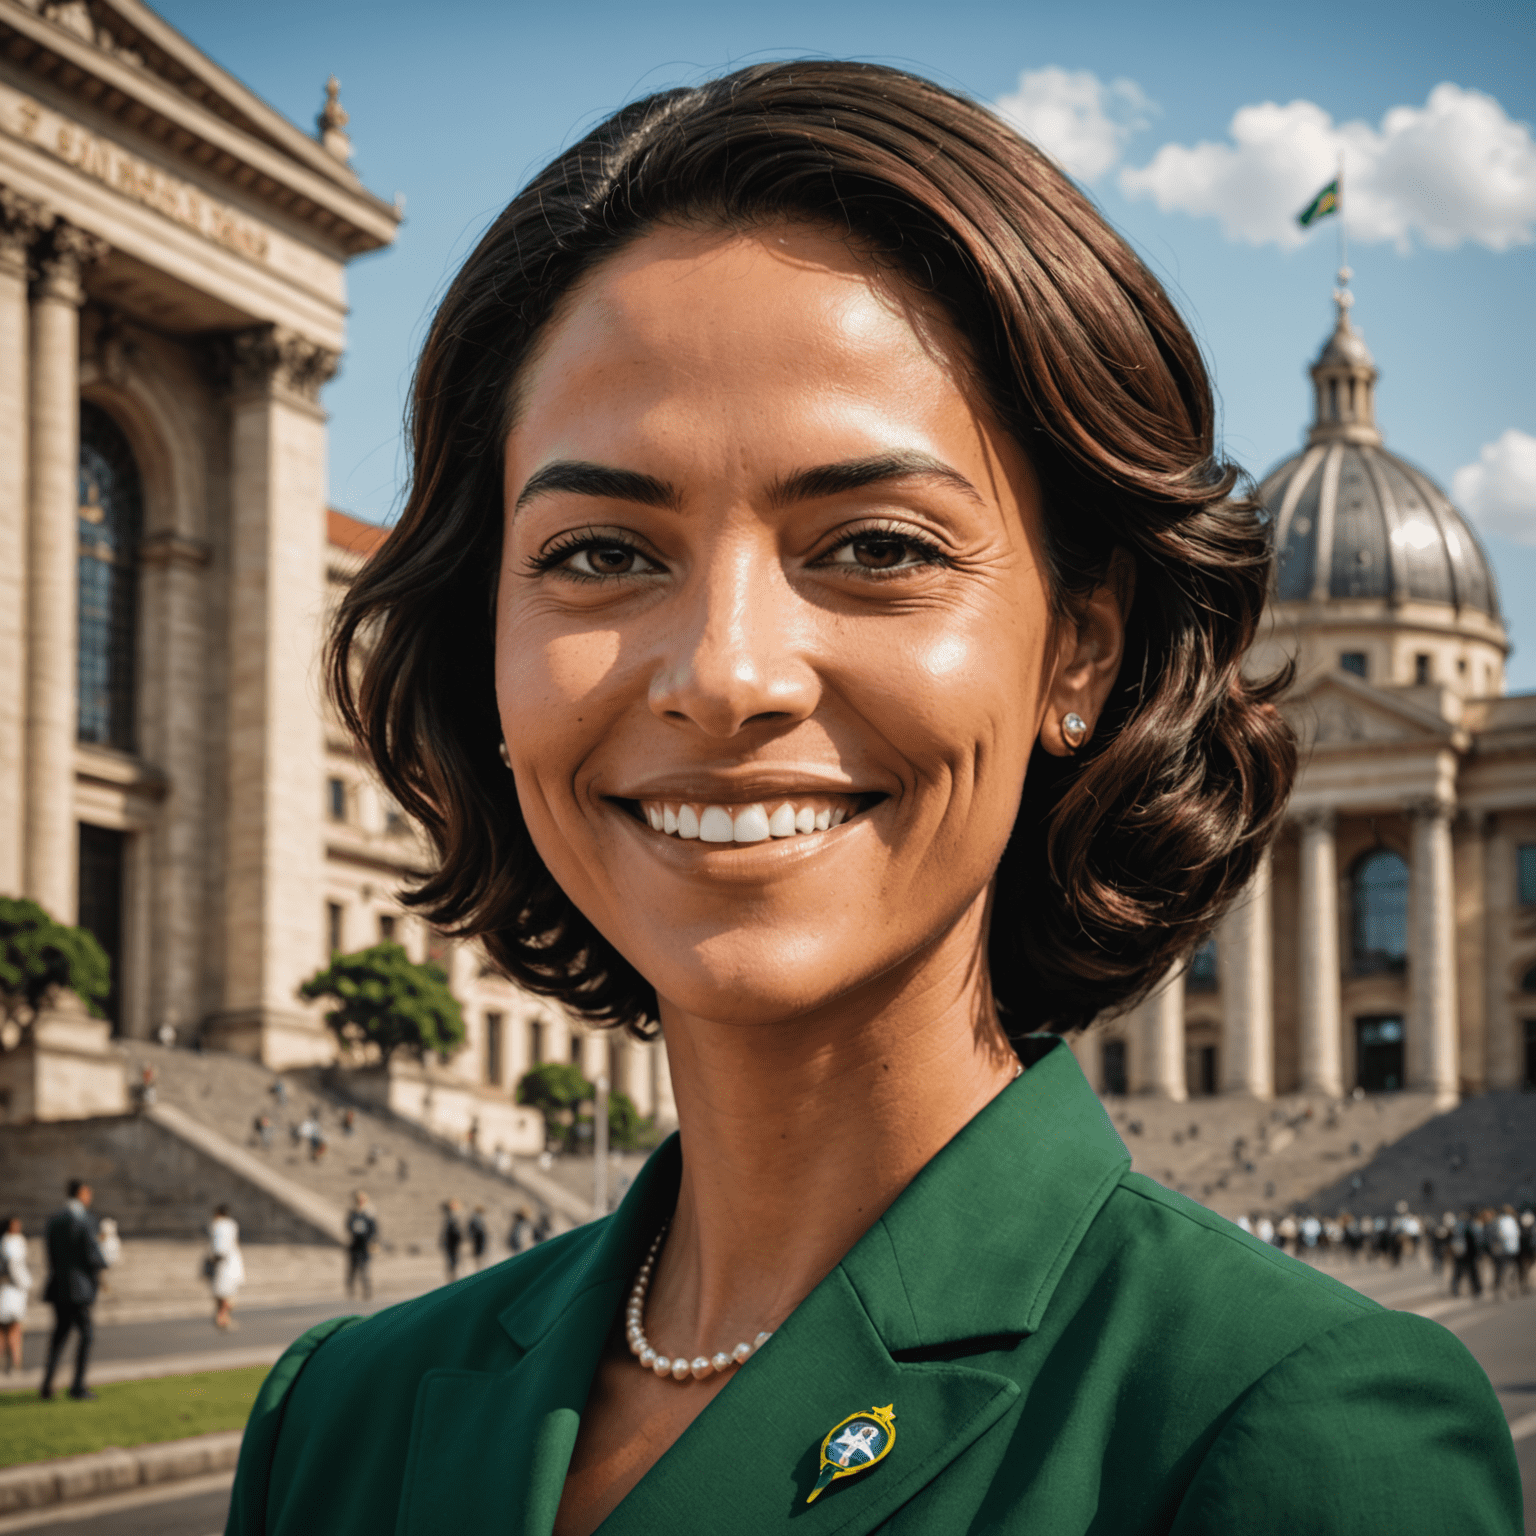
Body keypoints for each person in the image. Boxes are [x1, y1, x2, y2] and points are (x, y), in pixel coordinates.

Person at [228, 62, 1519, 1535]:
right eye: (599, 552)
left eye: (878, 545)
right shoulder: (336, 1421)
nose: (724, 677)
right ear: (487, 639)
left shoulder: (1296, 1438)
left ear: (1079, 651)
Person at [40, 1178, 105, 1400]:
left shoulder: (55, 1220)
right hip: (80, 1288)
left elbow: (49, 1253)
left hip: (59, 1285)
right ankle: (77, 1385)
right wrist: (104, 1262)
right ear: (81, 1193)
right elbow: (92, 1254)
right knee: (86, 1335)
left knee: (59, 1335)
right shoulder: (85, 1220)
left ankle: (47, 1384)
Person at [0, 1215, 31, 1374]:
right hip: (10, 1290)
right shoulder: (10, 1243)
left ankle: (13, 1363)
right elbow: (14, 1267)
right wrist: (25, 1283)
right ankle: (15, 1364)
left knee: (8, 1329)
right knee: (12, 1328)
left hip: (9, 1290)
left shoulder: (11, 1241)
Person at [207, 1204, 245, 1330]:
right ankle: (223, 1318)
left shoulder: (220, 1225)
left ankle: (222, 1318)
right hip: (232, 1262)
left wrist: (213, 1260)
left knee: (223, 1293)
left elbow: (220, 1247)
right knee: (226, 1293)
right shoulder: (231, 1224)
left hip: (224, 1263)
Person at [344, 1192, 378, 1301]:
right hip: (355, 1244)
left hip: (365, 1245)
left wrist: (374, 1242)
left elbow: (374, 1229)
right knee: (352, 1269)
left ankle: (367, 1292)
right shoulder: (352, 1213)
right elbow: (348, 1226)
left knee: (365, 1269)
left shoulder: (369, 1213)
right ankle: (351, 1291)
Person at [440, 1200, 463, 1283]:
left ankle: (452, 1280)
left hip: (452, 1245)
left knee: (452, 1264)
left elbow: (455, 1233)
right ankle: (452, 1280)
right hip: (451, 1245)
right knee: (452, 1264)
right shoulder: (450, 1219)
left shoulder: (451, 1219)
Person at [468, 1206, 488, 1271]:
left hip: (478, 1240)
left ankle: (479, 1268)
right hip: (478, 1240)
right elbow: (478, 1232)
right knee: (479, 1257)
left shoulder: (475, 1219)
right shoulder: (476, 1219)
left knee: (478, 1257)